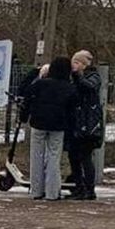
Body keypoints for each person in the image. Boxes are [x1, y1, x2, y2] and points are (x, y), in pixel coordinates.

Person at [23, 56, 77, 201]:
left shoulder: (40, 84)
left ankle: (36, 190)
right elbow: (72, 110)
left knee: (36, 156)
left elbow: (26, 94)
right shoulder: (69, 88)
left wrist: (24, 116)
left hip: (38, 122)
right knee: (54, 157)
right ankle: (52, 192)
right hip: (58, 125)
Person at [68, 50, 104, 200]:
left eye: (77, 63)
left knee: (85, 156)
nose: (73, 66)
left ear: (83, 64)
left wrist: (78, 76)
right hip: (76, 122)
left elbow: (88, 87)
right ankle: (78, 186)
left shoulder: (93, 77)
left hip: (89, 124)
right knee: (73, 156)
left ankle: (89, 189)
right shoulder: (73, 79)